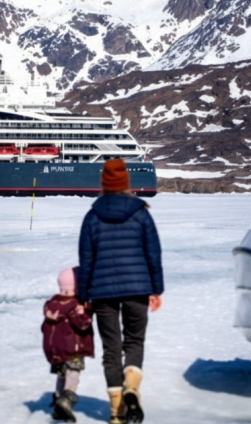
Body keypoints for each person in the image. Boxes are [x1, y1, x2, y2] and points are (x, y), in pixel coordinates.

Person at [77, 158, 164, 424]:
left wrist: (83, 296)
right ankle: (132, 389)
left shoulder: (92, 216)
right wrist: (156, 289)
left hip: (102, 293)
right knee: (134, 342)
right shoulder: (141, 213)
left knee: (111, 350)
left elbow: (86, 260)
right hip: (138, 289)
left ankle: (117, 413)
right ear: (126, 182)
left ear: (104, 183)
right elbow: (153, 253)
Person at [42, 268, 94, 422]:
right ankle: (67, 398)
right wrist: (87, 315)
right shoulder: (76, 304)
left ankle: (58, 398)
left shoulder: (52, 303)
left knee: (61, 373)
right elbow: (82, 324)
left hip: (56, 348)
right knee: (73, 372)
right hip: (74, 348)